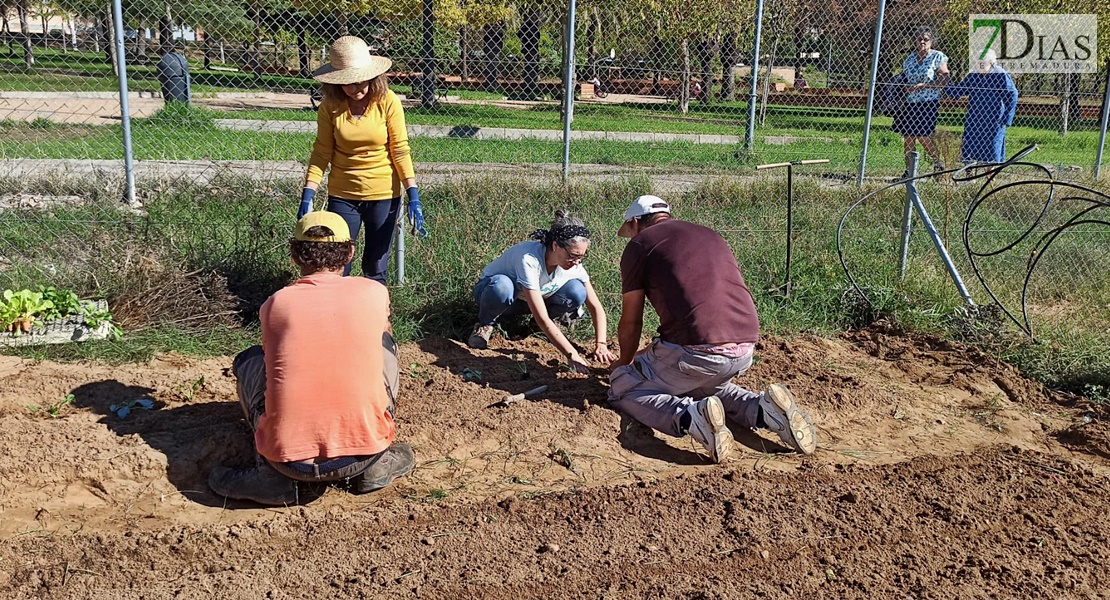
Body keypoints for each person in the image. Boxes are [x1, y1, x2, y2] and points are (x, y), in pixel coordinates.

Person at [208, 211, 414, 506]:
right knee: (383, 344)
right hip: (363, 455)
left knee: (250, 361)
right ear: (350, 253)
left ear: (295, 256)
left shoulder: (276, 304)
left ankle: (269, 475)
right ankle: (376, 465)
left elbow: (274, 360)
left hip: (288, 463)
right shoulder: (374, 293)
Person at [608, 195, 817, 463]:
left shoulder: (640, 244)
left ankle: (690, 417)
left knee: (623, 387)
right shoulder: (709, 234)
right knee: (705, 385)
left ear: (635, 223)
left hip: (696, 352)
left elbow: (631, 320)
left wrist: (624, 363)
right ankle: (763, 410)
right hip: (744, 346)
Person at [299, 36, 426, 285]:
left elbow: (400, 150)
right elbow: (322, 152)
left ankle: (378, 319)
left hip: (383, 194)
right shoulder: (330, 107)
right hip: (343, 194)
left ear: (372, 76)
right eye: (347, 84)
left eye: (360, 82)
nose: (355, 89)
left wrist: (413, 194)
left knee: (375, 266)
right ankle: (337, 318)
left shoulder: (388, 102)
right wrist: (308, 194)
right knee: (338, 263)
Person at [467, 211, 617, 372]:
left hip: (532, 300)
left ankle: (535, 328)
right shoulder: (528, 259)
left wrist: (601, 344)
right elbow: (542, 317)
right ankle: (485, 324)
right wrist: (572, 355)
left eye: (582, 257)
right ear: (555, 245)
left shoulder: (574, 264)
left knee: (577, 291)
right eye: (573, 256)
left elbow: (596, 307)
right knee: (502, 286)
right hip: (498, 296)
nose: (577, 262)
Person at [893, 26, 951, 176]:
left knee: (923, 136)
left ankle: (938, 164)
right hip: (910, 102)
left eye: (926, 39)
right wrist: (904, 88)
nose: (922, 42)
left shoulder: (937, 57)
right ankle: (909, 171)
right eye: (919, 39)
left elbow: (944, 79)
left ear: (932, 41)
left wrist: (924, 86)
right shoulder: (909, 59)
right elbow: (904, 78)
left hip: (928, 102)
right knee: (908, 137)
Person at [945, 49, 1018, 164]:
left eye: (982, 61)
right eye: (977, 61)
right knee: (970, 145)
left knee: (993, 146)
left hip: (994, 119)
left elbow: (1012, 94)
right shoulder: (974, 76)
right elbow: (957, 92)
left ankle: (990, 175)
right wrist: (945, 79)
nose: (979, 64)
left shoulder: (1000, 74)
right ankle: (968, 175)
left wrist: (1007, 117)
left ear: (991, 62)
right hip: (974, 119)